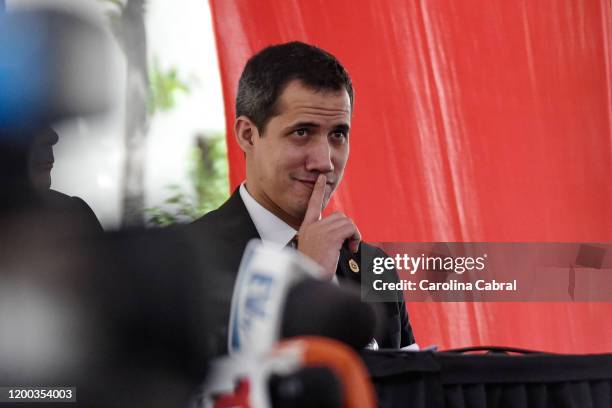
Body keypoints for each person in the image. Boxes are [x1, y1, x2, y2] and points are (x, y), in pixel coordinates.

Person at [191, 41, 415, 354]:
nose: (324, 161)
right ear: (247, 135)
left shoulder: (372, 266)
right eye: (302, 132)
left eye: (338, 134)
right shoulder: (188, 261)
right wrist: (305, 281)